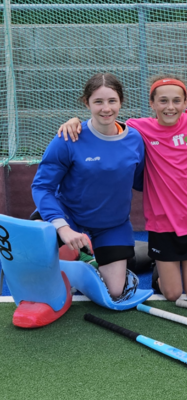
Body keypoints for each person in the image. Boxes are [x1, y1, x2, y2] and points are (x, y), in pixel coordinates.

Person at [58, 75, 187, 301]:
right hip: (162, 221)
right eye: (163, 101)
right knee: (173, 294)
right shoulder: (139, 129)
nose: (170, 107)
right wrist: (75, 121)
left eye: (177, 101)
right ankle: (160, 267)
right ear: (152, 103)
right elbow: (105, 122)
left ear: (186, 103)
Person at [32, 73, 145, 299]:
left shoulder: (135, 139)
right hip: (70, 217)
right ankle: (75, 252)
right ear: (87, 103)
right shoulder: (68, 137)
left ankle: (96, 257)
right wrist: (62, 228)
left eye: (112, 101)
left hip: (112, 224)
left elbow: (141, 182)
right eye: (98, 101)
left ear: (121, 102)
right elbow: (42, 186)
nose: (106, 108)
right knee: (35, 259)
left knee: (114, 292)